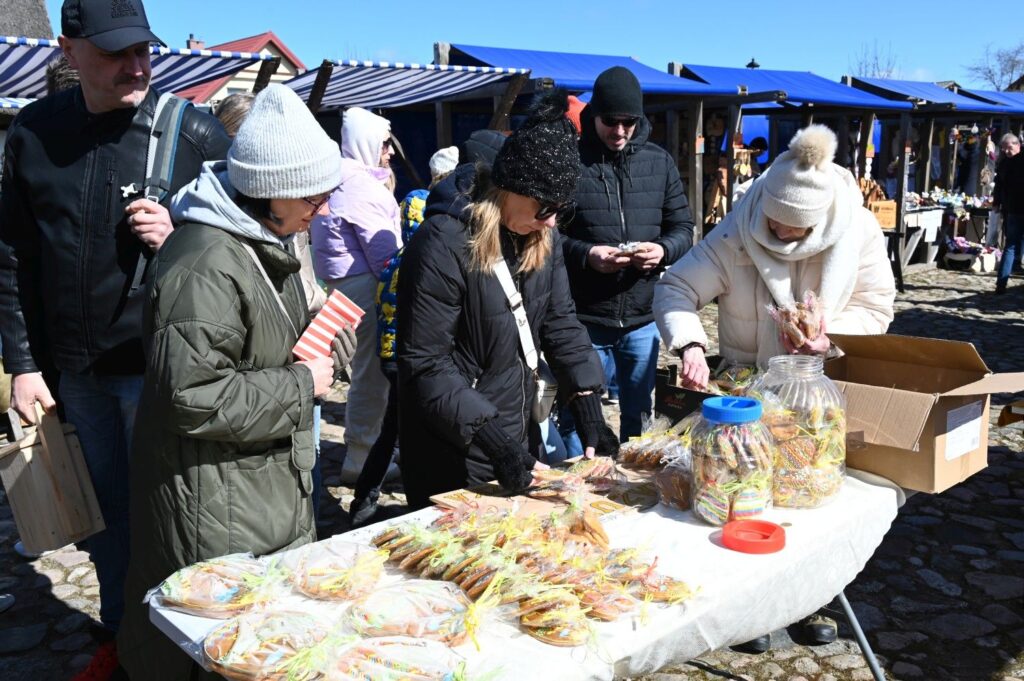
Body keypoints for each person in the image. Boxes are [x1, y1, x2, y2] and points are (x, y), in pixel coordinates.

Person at [0, 1, 230, 677]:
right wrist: (21, 363)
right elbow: (12, 255)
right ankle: (127, 640)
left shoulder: (192, 130)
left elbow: (257, 246)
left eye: (142, 51)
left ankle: (188, 647)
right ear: (69, 51)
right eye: (114, 53)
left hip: (160, 372)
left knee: (175, 519)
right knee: (103, 522)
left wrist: (185, 237)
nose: (136, 66)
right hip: (73, 375)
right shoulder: (34, 133)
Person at [116, 84, 355, 680]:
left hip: (255, 489)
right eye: (313, 194)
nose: (322, 207)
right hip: (217, 505)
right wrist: (304, 385)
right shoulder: (205, 264)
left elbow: (267, 346)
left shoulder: (266, 242)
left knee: (263, 646)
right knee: (224, 650)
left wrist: (329, 335)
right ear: (270, 191)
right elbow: (191, 397)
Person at [654, 124, 895, 650]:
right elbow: (676, 286)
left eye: (795, 230)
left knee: (808, 508)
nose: (781, 234)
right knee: (743, 499)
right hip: (745, 395)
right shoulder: (739, 226)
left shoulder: (857, 231)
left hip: (815, 397)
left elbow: (878, 308)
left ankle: (812, 599)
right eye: (775, 223)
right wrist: (691, 344)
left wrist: (829, 337)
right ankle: (749, 612)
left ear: (819, 225)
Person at [396, 91, 614, 509]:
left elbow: (561, 323)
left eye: (561, 210)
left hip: (517, 434)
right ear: (510, 188)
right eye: (544, 207)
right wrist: (493, 439)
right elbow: (425, 364)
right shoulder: (442, 243)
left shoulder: (540, 236)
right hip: (454, 446)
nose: (551, 221)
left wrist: (587, 403)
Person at [561, 66, 695, 443]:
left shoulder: (659, 161)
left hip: (642, 315)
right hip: (585, 317)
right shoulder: (571, 161)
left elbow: (684, 228)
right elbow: (548, 235)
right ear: (593, 115)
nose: (619, 131)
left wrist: (663, 250)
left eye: (628, 122)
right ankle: (581, 486)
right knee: (578, 414)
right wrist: (587, 255)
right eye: (610, 121)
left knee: (639, 412)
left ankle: (632, 484)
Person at [349, 146, 459, 527]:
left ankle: (364, 499)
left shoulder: (394, 262)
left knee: (391, 429)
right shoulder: (426, 265)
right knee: (410, 432)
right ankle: (413, 503)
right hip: (409, 359)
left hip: (391, 356)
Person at [312, 107, 401, 485]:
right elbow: (385, 252)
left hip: (347, 286)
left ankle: (368, 446)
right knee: (371, 376)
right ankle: (362, 458)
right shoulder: (359, 186)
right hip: (366, 289)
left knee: (364, 374)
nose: (391, 152)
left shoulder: (342, 178)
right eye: (384, 144)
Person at [993, 132, 1023, 294]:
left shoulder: (1009, 163)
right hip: (1013, 209)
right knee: (1010, 245)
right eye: (1004, 149)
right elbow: (999, 185)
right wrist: (996, 202)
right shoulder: (1005, 163)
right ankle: (1001, 282)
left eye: (1009, 148)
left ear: (1017, 144)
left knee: (1012, 244)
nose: (1006, 152)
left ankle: (1003, 281)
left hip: (1014, 208)